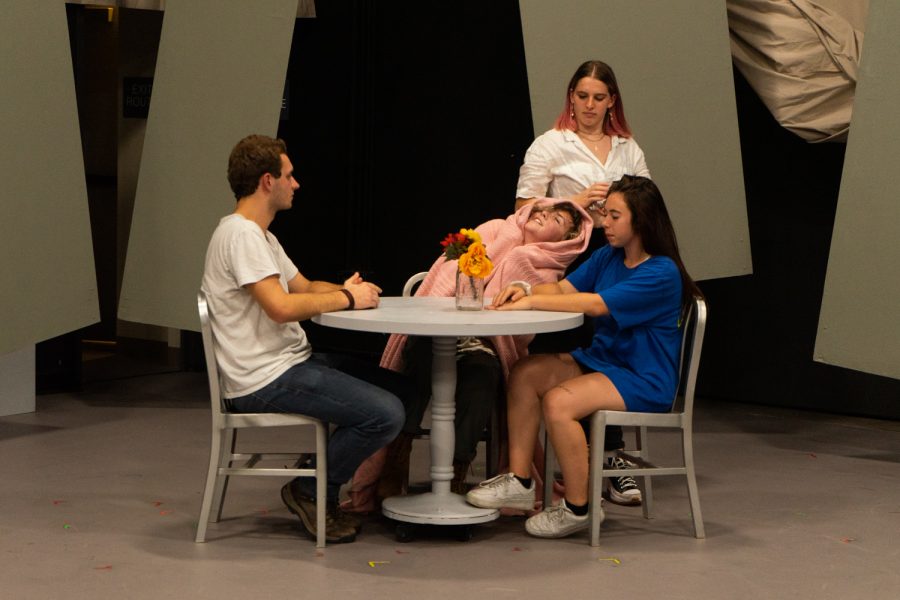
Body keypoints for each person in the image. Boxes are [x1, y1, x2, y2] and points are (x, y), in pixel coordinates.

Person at [466, 175, 703, 539]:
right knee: (525, 372)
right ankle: (520, 479)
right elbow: (564, 287)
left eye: (614, 216)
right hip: (602, 361)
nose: (604, 223)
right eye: (605, 214)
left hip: (643, 377)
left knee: (560, 402)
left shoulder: (662, 272)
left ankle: (580, 507)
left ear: (641, 220)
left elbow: (595, 305)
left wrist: (532, 301)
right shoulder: (609, 256)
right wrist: (525, 287)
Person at [200, 134, 410, 544]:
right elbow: (280, 307)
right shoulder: (240, 236)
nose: (295, 184)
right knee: (386, 413)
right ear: (267, 181)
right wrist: (347, 299)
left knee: (406, 391)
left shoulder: (261, 236)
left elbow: (305, 286)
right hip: (263, 379)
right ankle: (311, 489)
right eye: (289, 176)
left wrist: (345, 290)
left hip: (289, 363)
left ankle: (354, 481)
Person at [341, 200, 593, 513]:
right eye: (540, 209)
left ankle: (456, 469)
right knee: (419, 358)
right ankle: (395, 458)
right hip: (437, 327)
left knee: (483, 373)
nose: (541, 213)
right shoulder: (495, 230)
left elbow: (520, 322)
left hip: (486, 339)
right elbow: (446, 274)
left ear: (566, 239)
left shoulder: (548, 268)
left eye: (555, 217)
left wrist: (515, 261)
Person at [516, 59, 652, 505]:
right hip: (567, 262)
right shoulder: (550, 144)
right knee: (574, 350)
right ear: (570, 99)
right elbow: (523, 210)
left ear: (612, 101)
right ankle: (566, 464)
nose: (590, 105)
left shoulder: (627, 147)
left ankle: (612, 460)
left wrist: (614, 211)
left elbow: (647, 204)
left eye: (598, 97)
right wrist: (575, 202)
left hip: (616, 256)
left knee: (615, 347)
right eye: (582, 96)